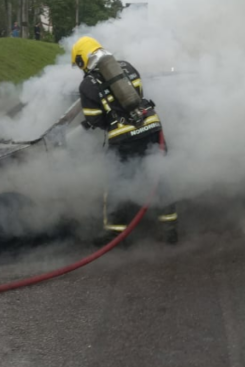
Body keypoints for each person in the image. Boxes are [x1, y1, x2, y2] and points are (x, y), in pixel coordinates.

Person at [72, 36, 178, 243]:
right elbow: (138, 95)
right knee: (159, 177)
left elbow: (95, 118)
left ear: (81, 60)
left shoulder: (87, 84)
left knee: (116, 183)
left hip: (124, 139)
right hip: (152, 128)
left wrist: (110, 121)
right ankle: (170, 230)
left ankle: (115, 233)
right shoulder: (127, 67)